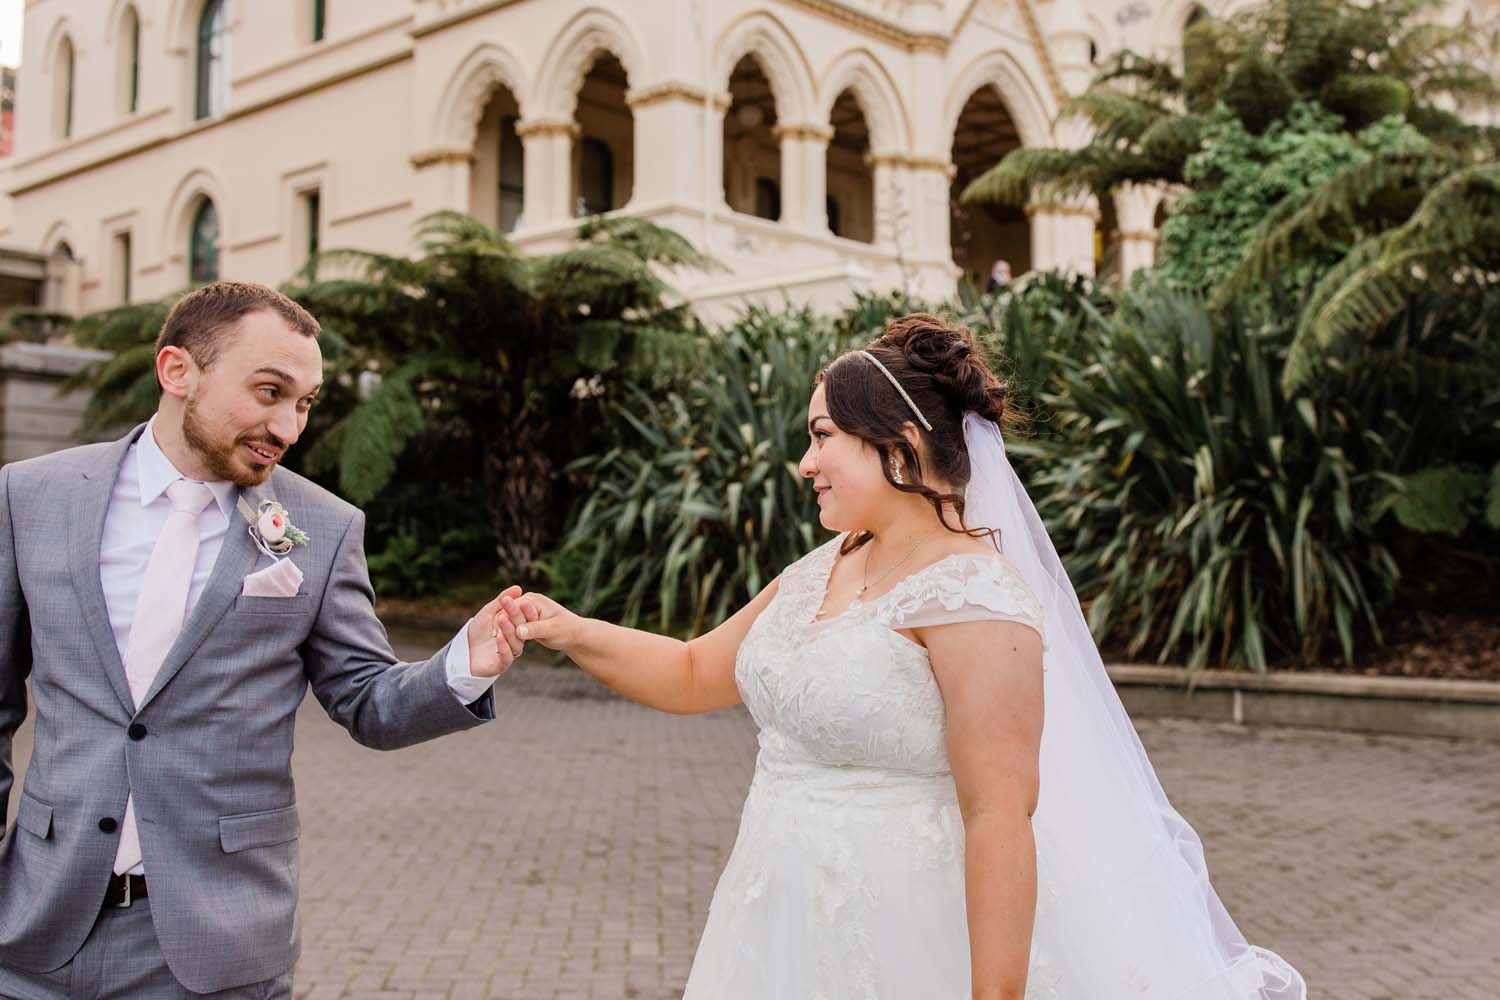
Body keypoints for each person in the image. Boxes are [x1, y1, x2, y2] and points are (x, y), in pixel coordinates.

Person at [494, 313, 1306, 997]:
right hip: (772, 916)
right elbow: (695, 671)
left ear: (899, 442)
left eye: (822, 437)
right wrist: (567, 629)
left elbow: (999, 816)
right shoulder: (823, 567)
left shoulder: (973, 597)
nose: (804, 463)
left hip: (904, 938)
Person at [0, 281, 523, 999]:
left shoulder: (326, 526)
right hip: (35, 932)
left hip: (215, 946)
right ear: (178, 372)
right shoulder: (31, 497)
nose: (289, 427)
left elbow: (367, 700)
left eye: (305, 403)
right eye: (270, 391)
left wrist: (464, 665)